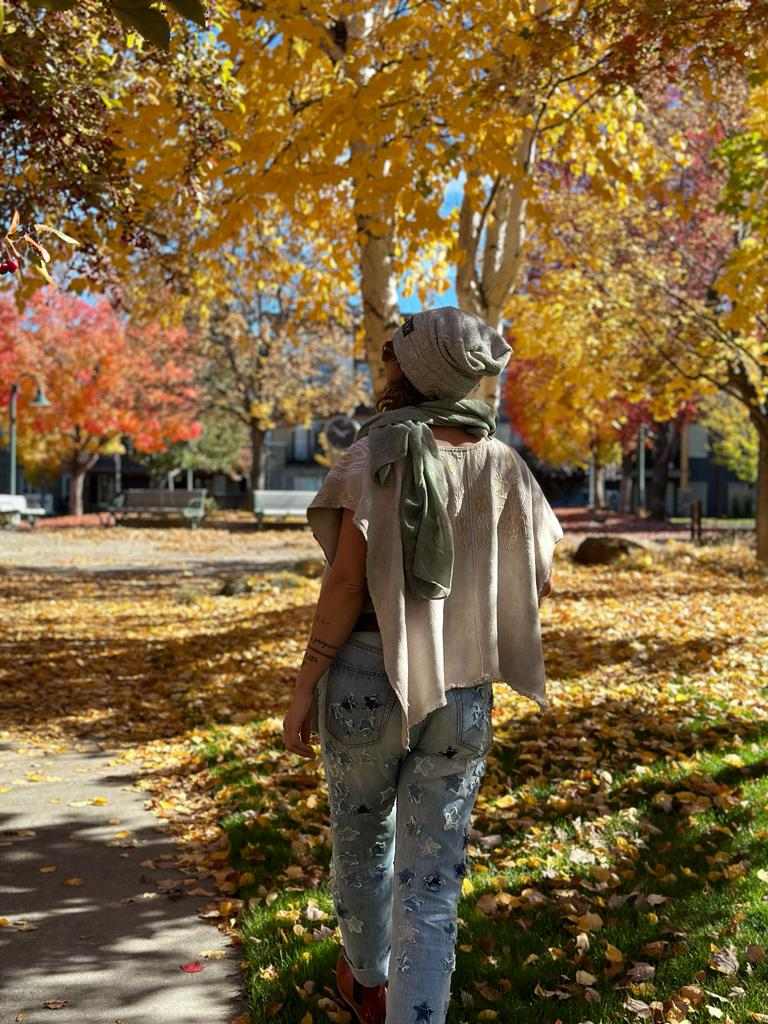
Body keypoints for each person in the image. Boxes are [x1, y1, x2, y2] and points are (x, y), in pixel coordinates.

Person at [281, 306, 563, 1024]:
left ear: (410, 373)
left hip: (364, 682)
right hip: (463, 692)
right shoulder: (503, 464)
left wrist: (305, 681)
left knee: (362, 839)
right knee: (433, 882)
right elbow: (538, 578)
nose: (383, 366)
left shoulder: (376, 454)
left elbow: (345, 584)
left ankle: (368, 984)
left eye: (390, 357)